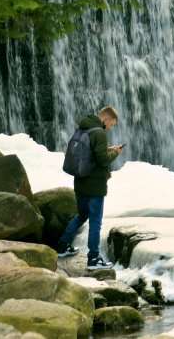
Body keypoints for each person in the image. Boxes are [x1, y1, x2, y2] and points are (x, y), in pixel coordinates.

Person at [56, 106, 123, 270]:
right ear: (106, 119)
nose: (110, 128)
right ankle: (93, 259)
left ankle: (62, 246)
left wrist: (107, 149)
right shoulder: (99, 133)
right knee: (95, 222)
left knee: (81, 215)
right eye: (112, 124)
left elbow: (88, 153)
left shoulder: (83, 129)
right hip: (95, 186)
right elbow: (102, 160)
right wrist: (116, 153)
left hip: (80, 183)